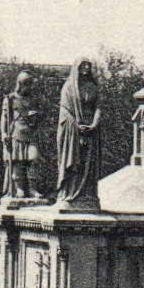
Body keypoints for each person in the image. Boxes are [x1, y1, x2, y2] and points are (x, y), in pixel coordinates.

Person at [55, 59, 103, 207]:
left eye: (88, 65)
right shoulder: (68, 87)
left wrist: (94, 124)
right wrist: (76, 126)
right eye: (83, 65)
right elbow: (64, 110)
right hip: (73, 130)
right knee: (74, 161)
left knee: (89, 163)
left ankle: (87, 195)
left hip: (91, 130)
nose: (86, 68)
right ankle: (69, 192)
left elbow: (99, 107)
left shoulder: (94, 87)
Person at [0, 70, 41, 200]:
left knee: (33, 160)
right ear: (20, 84)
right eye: (26, 84)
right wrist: (4, 133)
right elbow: (4, 118)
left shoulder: (32, 100)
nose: (28, 88)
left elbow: (36, 118)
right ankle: (19, 189)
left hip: (30, 132)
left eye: (30, 85)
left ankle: (33, 189)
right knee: (17, 161)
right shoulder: (10, 99)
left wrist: (35, 117)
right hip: (16, 132)